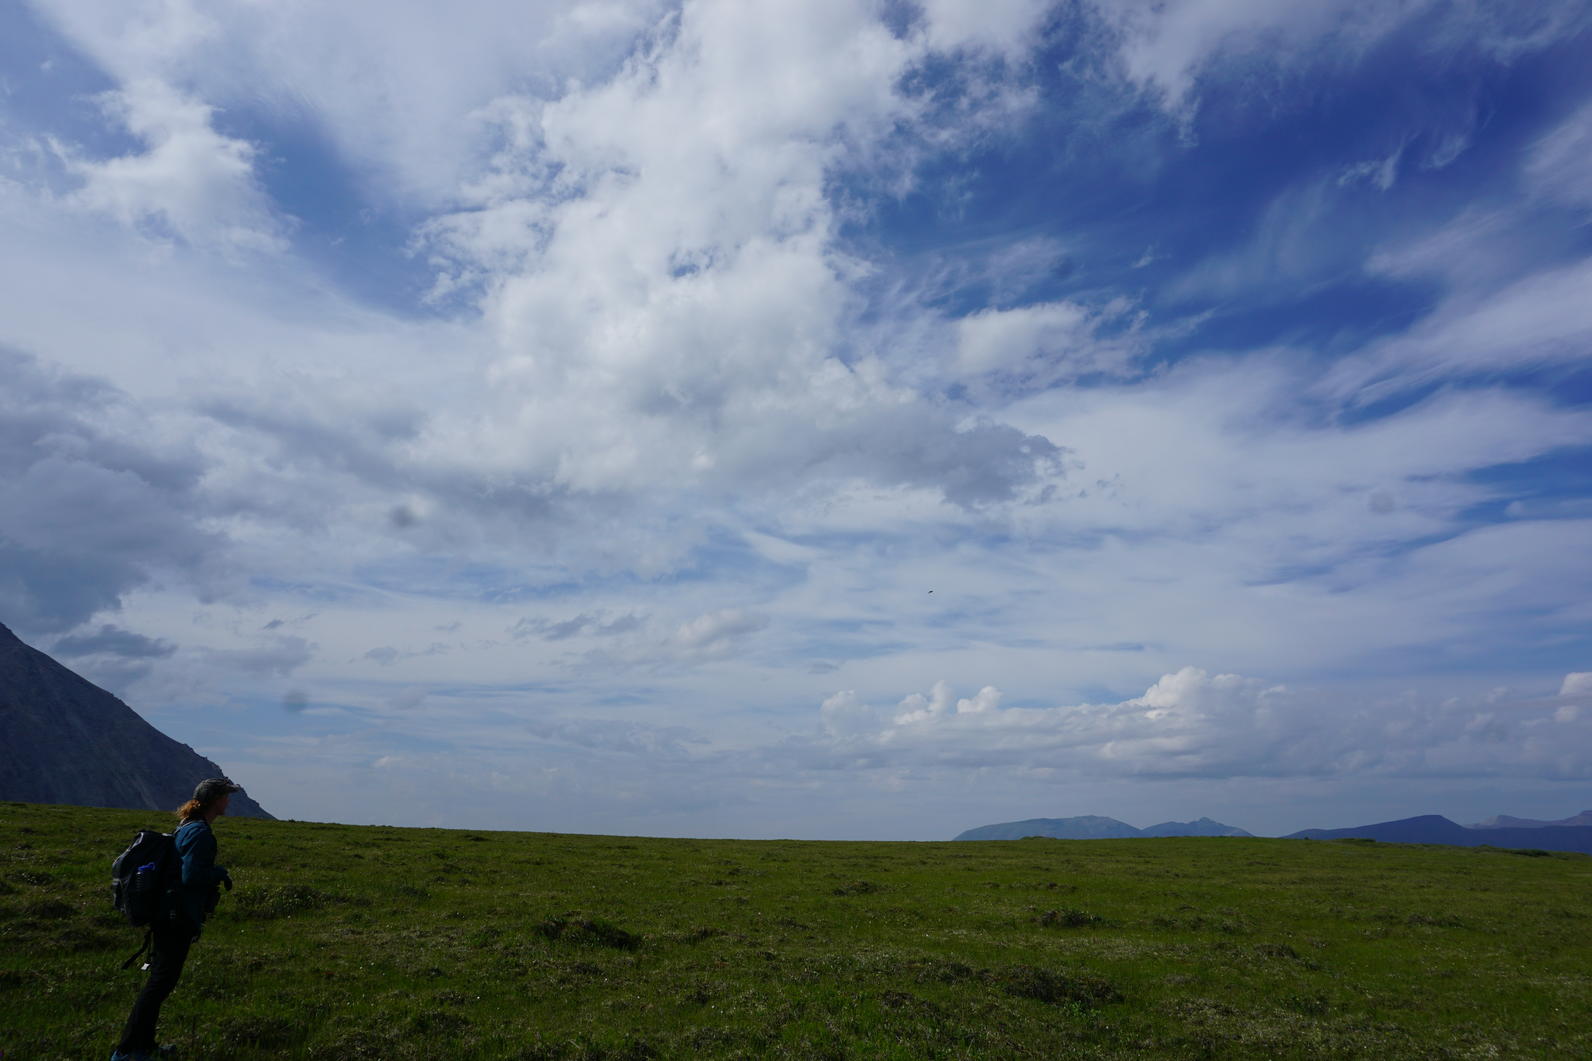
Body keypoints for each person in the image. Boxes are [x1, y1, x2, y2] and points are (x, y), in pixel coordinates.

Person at [111, 778, 239, 1061]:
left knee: (160, 982)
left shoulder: (188, 826)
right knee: (159, 984)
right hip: (175, 918)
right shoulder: (201, 833)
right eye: (226, 797)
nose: (228, 802)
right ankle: (128, 1051)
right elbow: (191, 877)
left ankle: (144, 1046)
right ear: (215, 799)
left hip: (168, 914)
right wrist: (219, 874)